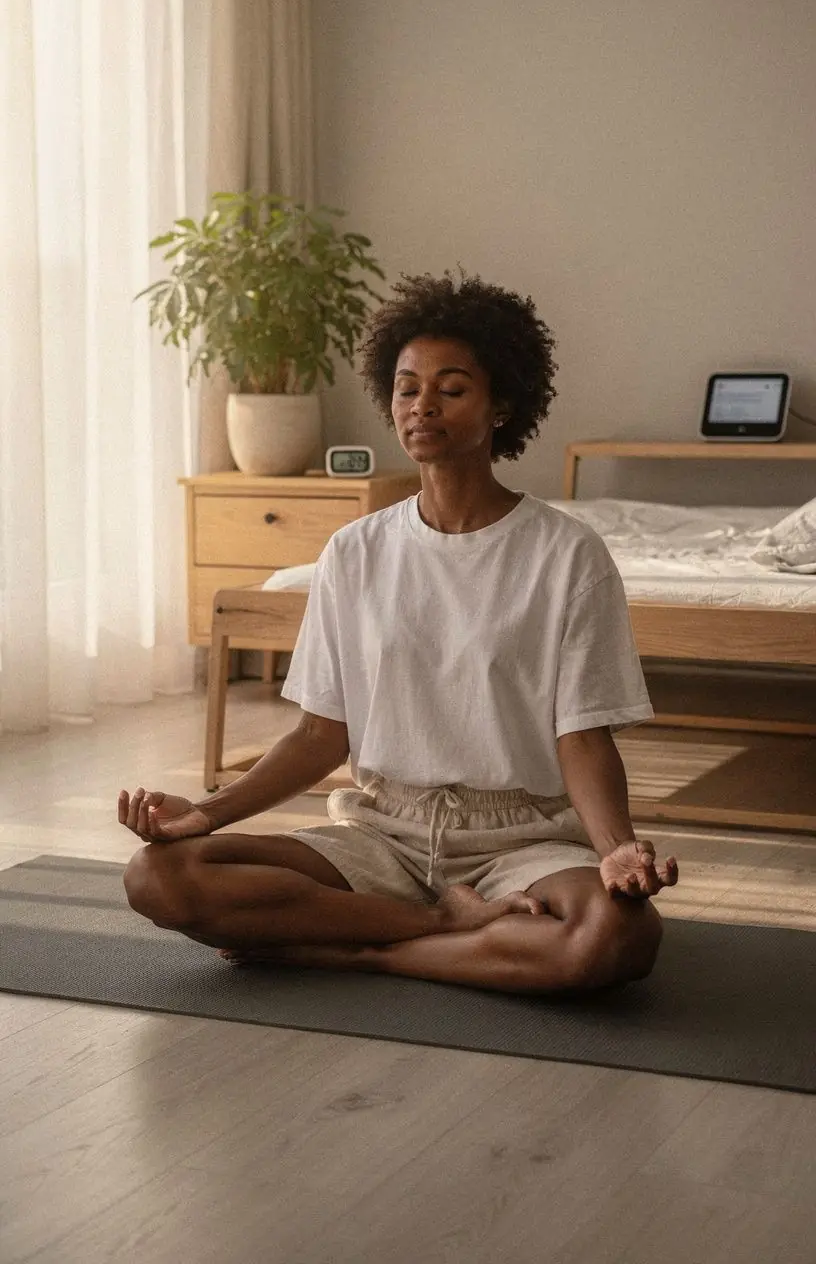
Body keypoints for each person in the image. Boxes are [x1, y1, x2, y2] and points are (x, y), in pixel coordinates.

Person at [120, 272, 678, 994]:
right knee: (160, 877)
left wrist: (616, 851)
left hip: (521, 838)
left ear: (502, 403)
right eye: (408, 387)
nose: (423, 406)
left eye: (452, 388)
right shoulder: (355, 552)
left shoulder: (567, 555)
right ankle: (449, 928)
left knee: (616, 937)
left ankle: (358, 951)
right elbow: (320, 737)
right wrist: (205, 814)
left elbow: (582, 738)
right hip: (383, 834)